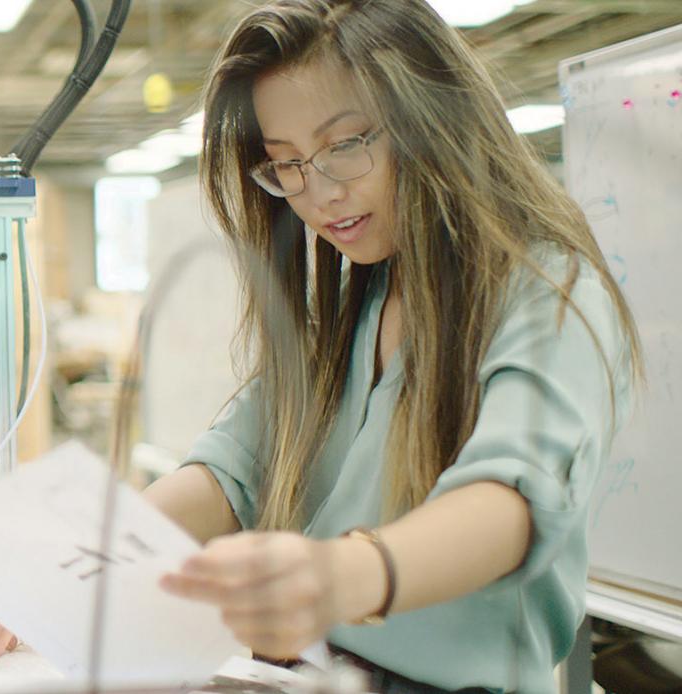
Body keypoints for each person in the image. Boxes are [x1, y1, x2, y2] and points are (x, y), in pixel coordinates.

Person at [144, 1, 641, 693]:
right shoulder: (351, 304)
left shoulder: (547, 290)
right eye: (286, 166)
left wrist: (343, 576)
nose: (318, 193)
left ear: (433, 118)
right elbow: (233, 470)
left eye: (345, 145)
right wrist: (84, 560)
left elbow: (512, 499)